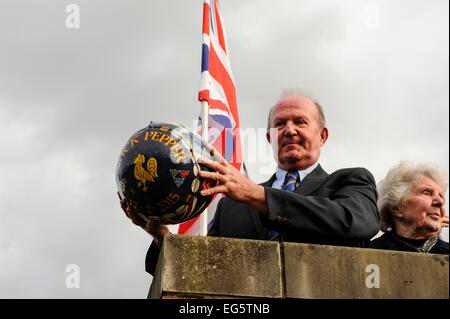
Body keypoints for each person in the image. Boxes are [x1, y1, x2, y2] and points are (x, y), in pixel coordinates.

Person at [119, 89, 381, 276]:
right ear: (269, 138)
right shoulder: (232, 207)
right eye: (280, 124)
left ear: (322, 135)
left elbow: (355, 222)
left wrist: (256, 195)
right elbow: (204, 273)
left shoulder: (350, 181)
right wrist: (162, 237)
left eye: (300, 121)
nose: (289, 130)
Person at [370, 161, 449, 254]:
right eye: (426, 192)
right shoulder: (367, 253)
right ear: (397, 208)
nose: (440, 202)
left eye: (441, 196)